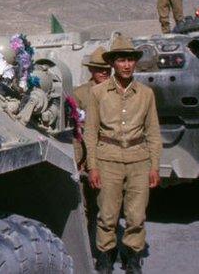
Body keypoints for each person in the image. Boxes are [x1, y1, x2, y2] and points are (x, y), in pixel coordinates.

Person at [84, 35, 162, 274]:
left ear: (135, 63)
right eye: (121, 60)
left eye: (130, 60)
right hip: (108, 161)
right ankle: (106, 257)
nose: (127, 65)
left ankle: (132, 257)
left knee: (136, 216)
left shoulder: (146, 94)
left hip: (139, 160)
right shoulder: (98, 93)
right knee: (107, 215)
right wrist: (93, 167)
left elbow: (154, 132)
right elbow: (90, 132)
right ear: (113, 64)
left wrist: (154, 166)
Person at [71, 46, 111, 252]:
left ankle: (105, 251)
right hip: (86, 160)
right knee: (83, 207)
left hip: (110, 159)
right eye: (98, 68)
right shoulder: (79, 94)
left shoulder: (118, 92)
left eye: (107, 69)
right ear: (91, 70)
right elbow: (75, 132)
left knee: (107, 208)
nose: (103, 72)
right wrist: (77, 161)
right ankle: (85, 252)